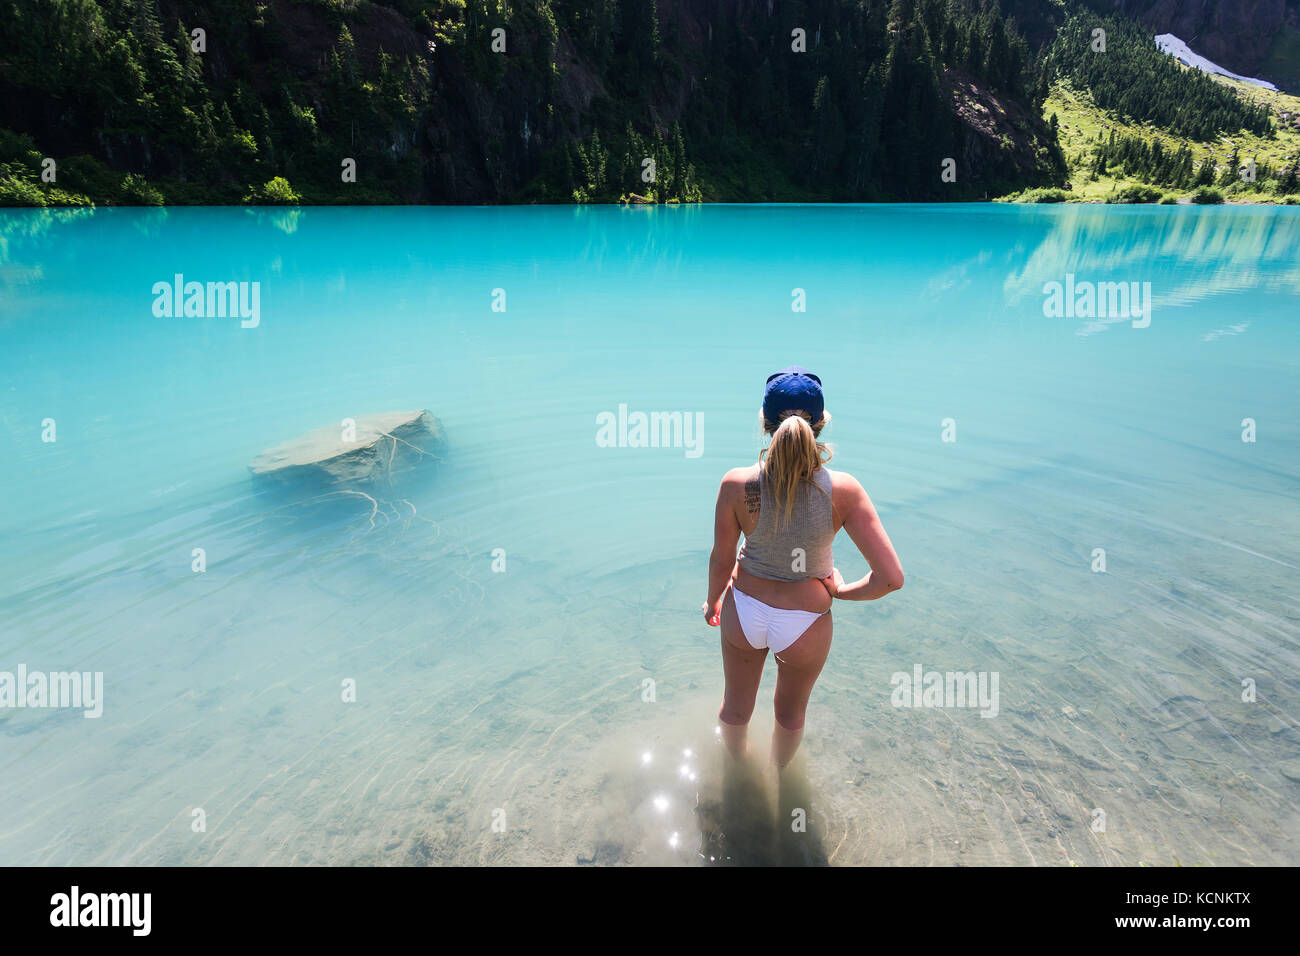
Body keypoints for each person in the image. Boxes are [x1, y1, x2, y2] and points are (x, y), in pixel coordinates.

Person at [702, 367, 903, 768]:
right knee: (789, 716)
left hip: (745, 612)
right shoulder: (843, 490)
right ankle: (780, 783)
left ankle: (736, 776)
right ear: (821, 424)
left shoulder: (735, 485)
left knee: (736, 709)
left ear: (764, 423)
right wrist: (840, 591)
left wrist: (712, 604)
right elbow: (891, 579)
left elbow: (722, 558)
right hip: (806, 622)